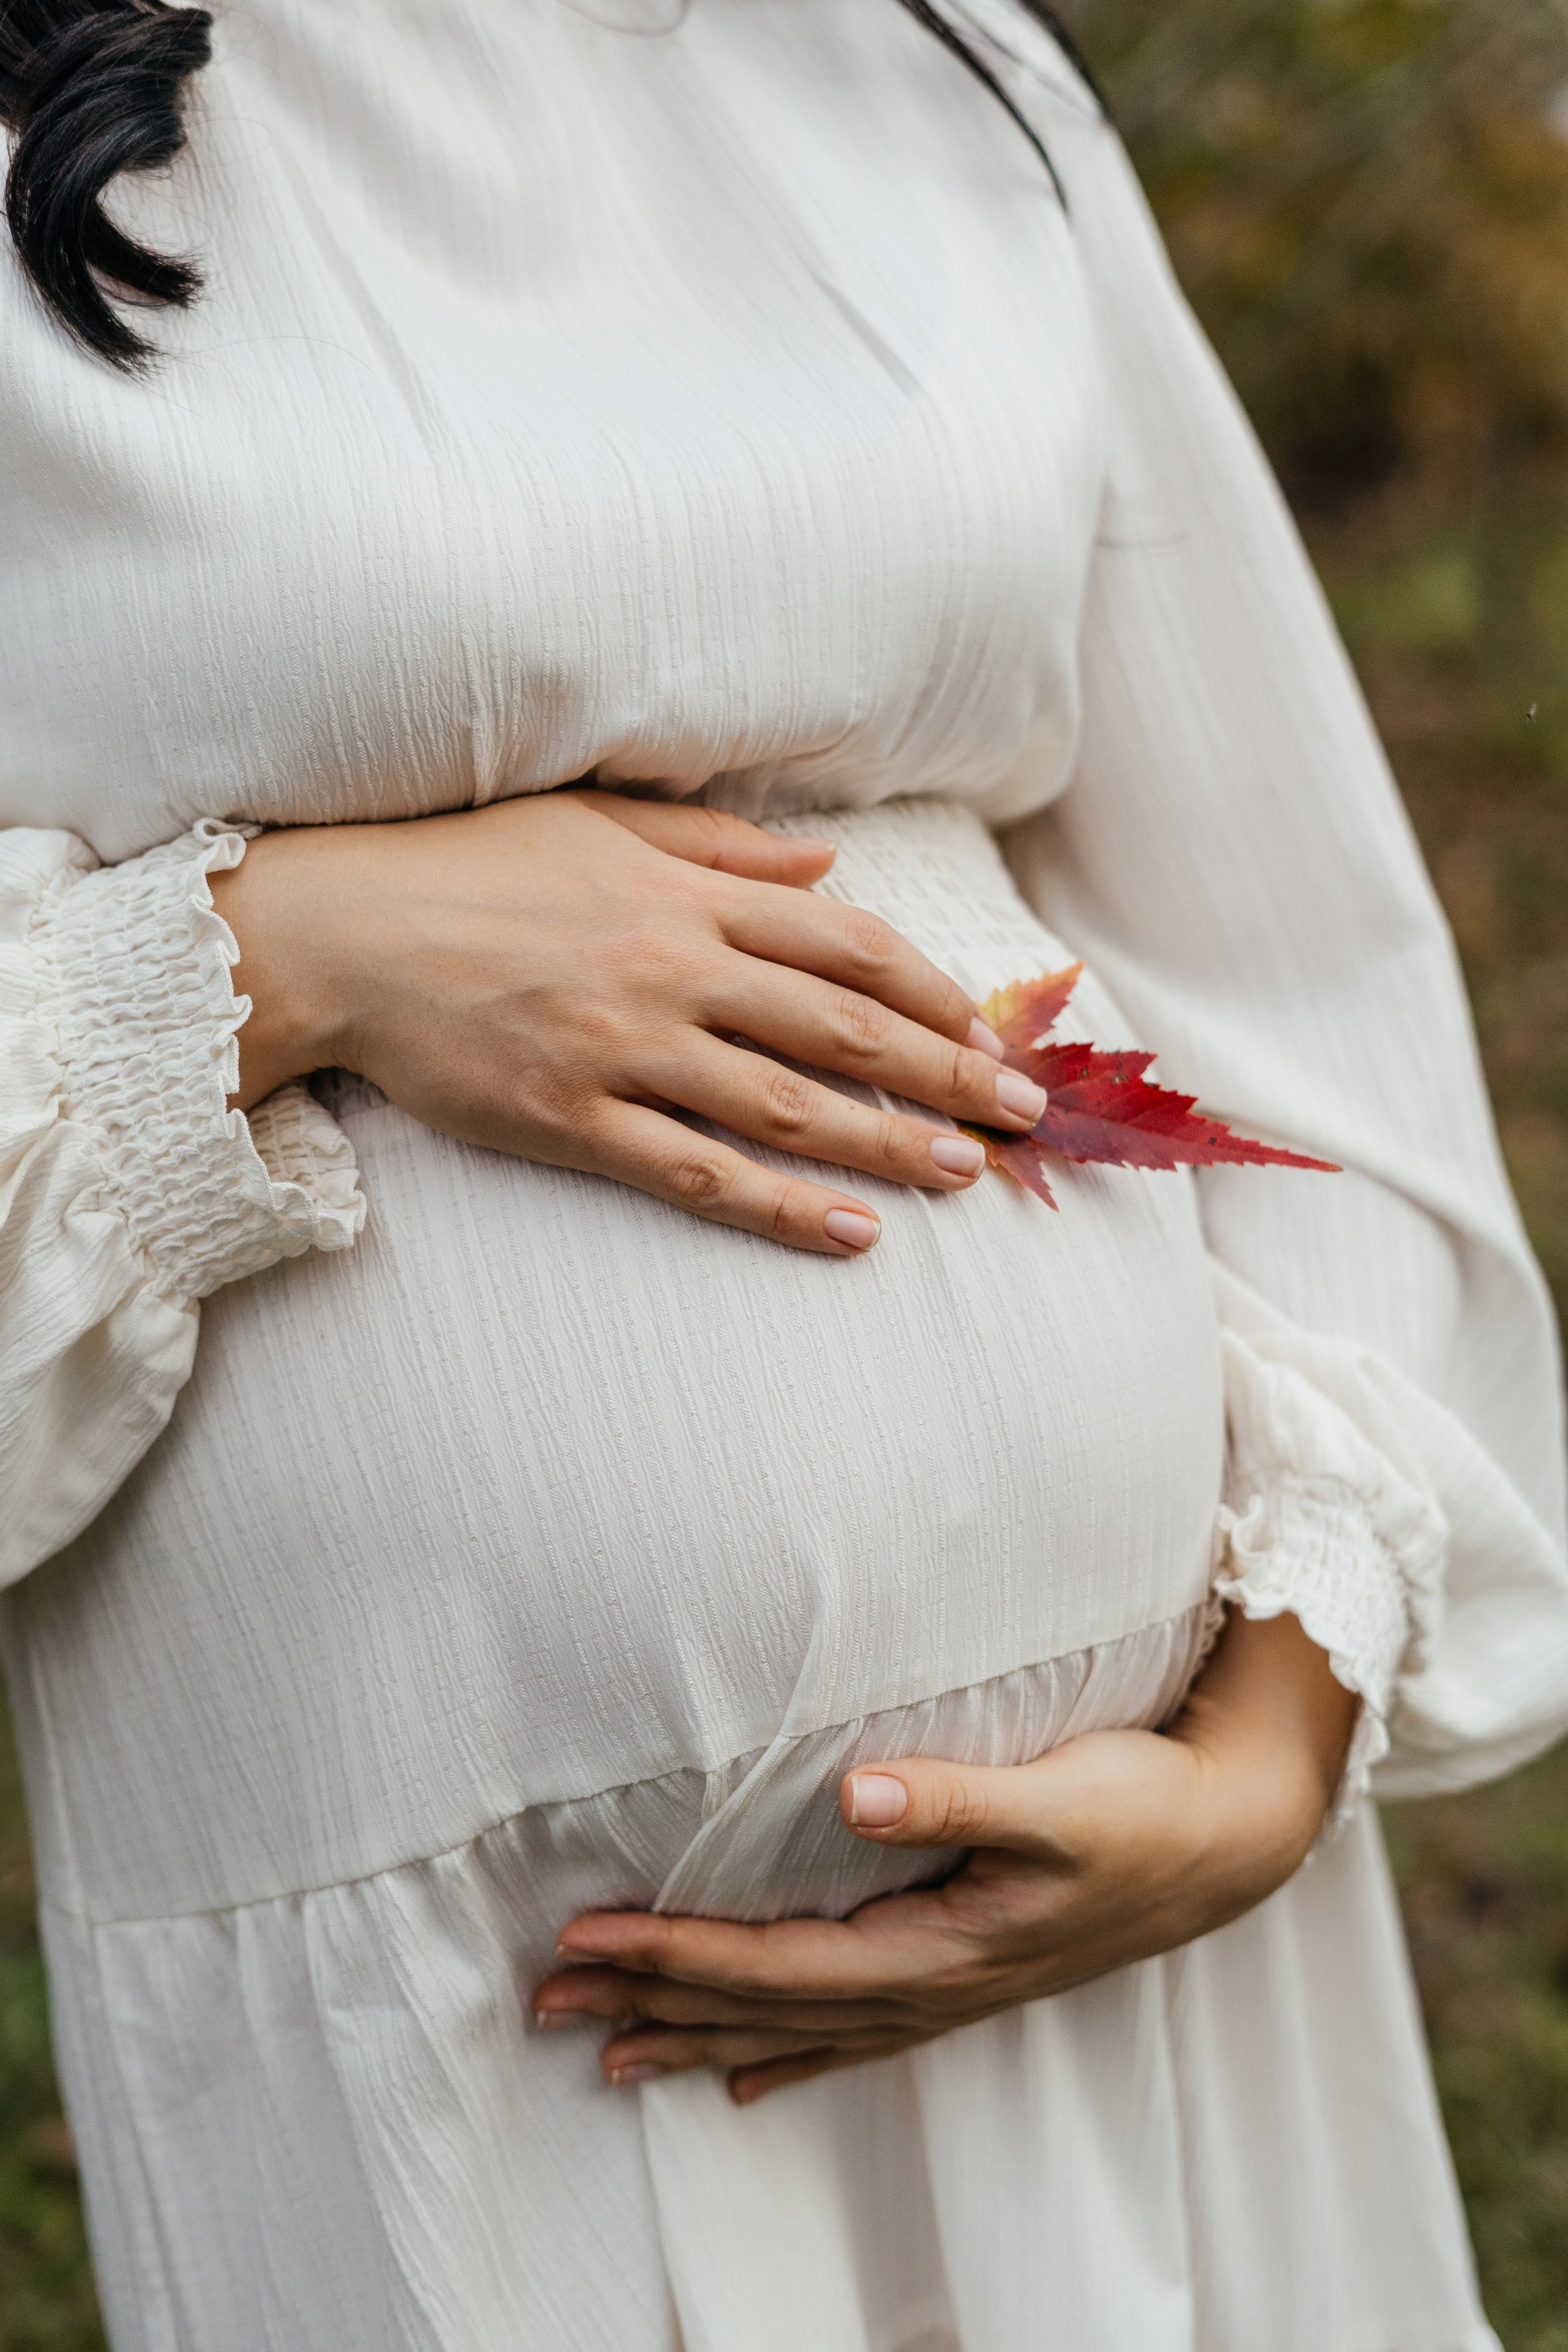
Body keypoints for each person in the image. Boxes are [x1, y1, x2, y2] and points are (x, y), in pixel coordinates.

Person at [2, 0, 1565, 2344]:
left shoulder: (930, 68)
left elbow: (1288, 949)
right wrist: (279, 957)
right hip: (478, 2026)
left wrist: (1276, 1732)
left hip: (1142, 1959)